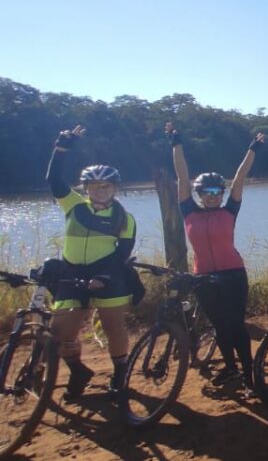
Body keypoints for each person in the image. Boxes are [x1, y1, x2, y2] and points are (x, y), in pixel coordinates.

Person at [45, 125, 140, 400]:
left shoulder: (124, 218)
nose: (100, 191)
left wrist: (104, 278)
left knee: (113, 328)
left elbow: (122, 255)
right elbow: (53, 179)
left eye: (106, 186)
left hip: (109, 277)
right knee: (62, 331)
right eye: (94, 186)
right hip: (72, 273)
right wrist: (62, 147)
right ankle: (78, 371)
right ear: (86, 188)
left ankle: (120, 374)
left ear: (114, 188)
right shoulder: (74, 205)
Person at [167, 122, 261, 389]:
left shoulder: (229, 210)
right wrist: (176, 142)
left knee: (236, 325)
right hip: (203, 276)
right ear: (198, 194)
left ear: (221, 194)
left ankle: (248, 373)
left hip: (233, 274)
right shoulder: (189, 211)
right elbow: (181, 176)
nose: (211, 197)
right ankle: (231, 368)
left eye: (216, 192)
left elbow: (240, 177)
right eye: (206, 193)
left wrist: (253, 149)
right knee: (220, 325)